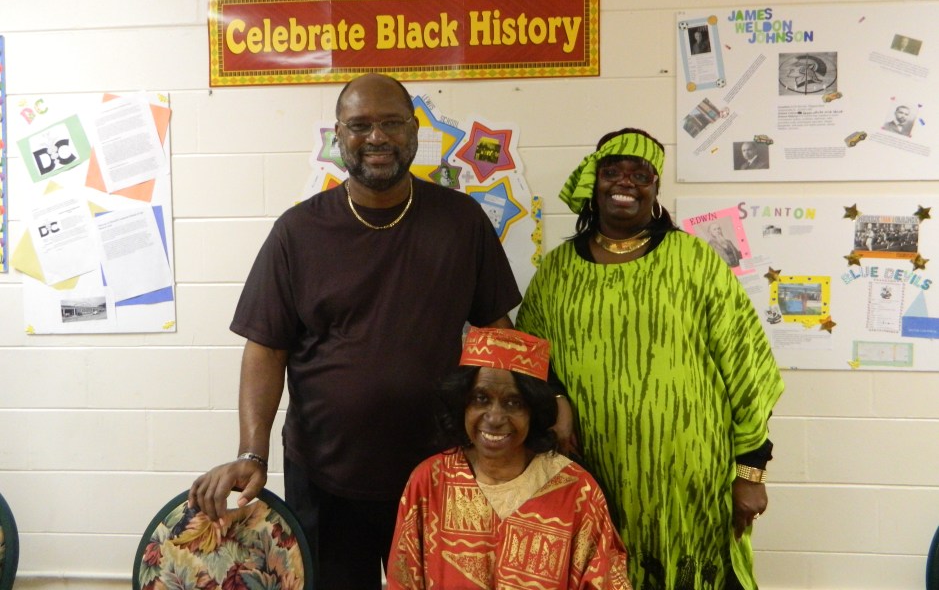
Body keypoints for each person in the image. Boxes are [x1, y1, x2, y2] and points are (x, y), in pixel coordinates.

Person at [188, 73, 522, 590]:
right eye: (360, 125)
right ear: (339, 135)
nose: (377, 137)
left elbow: (497, 332)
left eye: (391, 123)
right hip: (325, 478)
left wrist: (538, 410)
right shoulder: (298, 232)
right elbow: (266, 348)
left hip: (437, 471)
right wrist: (252, 452)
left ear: (414, 130)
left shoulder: (461, 221)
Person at [515, 128, 785, 590]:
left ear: (655, 189)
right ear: (593, 181)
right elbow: (531, 360)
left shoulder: (694, 260)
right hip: (594, 477)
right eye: (613, 171)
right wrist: (557, 399)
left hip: (691, 482)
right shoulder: (557, 272)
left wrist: (750, 472)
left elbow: (748, 368)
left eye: (640, 175)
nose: (626, 182)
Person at [387, 327, 632, 590]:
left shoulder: (577, 492)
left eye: (513, 403)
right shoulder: (429, 481)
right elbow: (404, 580)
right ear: (463, 404)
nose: (494, 418)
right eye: (481, 399)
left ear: (533, 411)